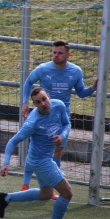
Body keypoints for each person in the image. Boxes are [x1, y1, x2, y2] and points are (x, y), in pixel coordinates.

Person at [20, 39, 97, 199]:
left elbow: (81, 92)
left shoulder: (76, 71)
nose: (56, 55)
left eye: (60, 53)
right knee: (36, 150)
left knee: (57, 151)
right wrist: (25, 102)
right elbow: (28, 82)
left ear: (68, 55)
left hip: (61, 119)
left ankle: (52, 187)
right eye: (54, 52)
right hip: (42, 117)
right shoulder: (43, 69)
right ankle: (25, 184)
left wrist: (93, 89)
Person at [0, 87, 72, 219]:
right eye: (38, 102)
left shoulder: (59, 105)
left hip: (43, 158)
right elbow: (12, 141)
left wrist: (62, 135)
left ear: (48, 96)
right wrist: (6, 163)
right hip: (40, 161)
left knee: (46, 194)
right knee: (67, 193)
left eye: (44, 99)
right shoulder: (32, 123)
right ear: (34, 105)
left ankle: (5, 198)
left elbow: (67, 124)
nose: (43, 104)